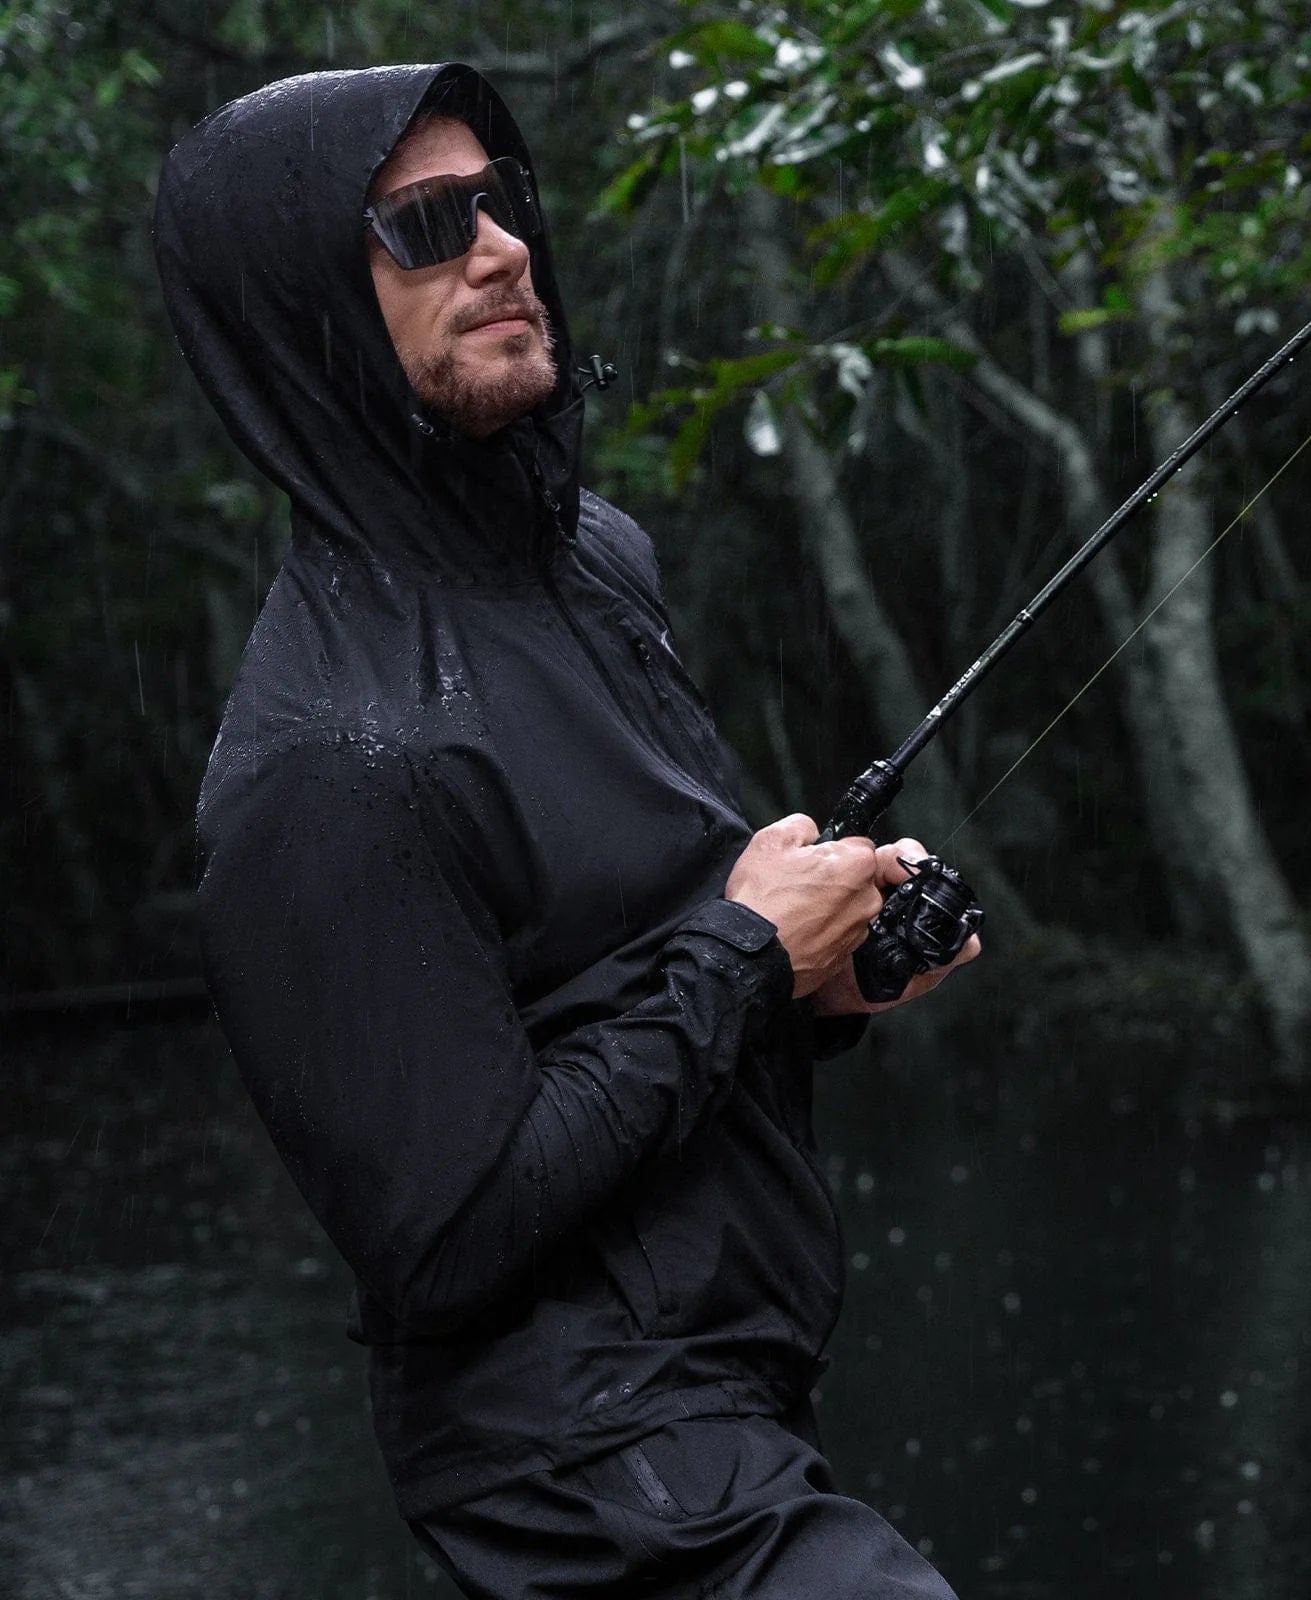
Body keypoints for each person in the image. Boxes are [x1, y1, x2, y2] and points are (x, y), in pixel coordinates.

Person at [155, 62, 978, 1598]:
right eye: (422, 225)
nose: (499, 249)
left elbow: (624, 967)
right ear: (306, 312)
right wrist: (748, 955)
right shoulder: (326, 763)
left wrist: (833, 971)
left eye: (501, 202)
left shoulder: (595, 567)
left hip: (729, 1398)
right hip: (577, 1466)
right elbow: (451, 1234)